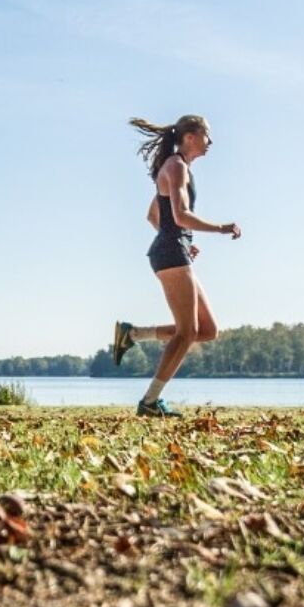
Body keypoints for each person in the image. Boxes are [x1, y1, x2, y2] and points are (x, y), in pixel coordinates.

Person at [110, 116, 240, 417]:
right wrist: (221, 228)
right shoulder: (177, 166)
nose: (211, 142)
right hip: (170, 254)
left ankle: (133, 335)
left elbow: (153, 215)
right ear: (192, 136)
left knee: (206, 330)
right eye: (207, 135)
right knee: (187, 331)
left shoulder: (175, 168)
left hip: (172, 249)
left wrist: (180, 237)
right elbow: (180, 215)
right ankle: (150, 401)